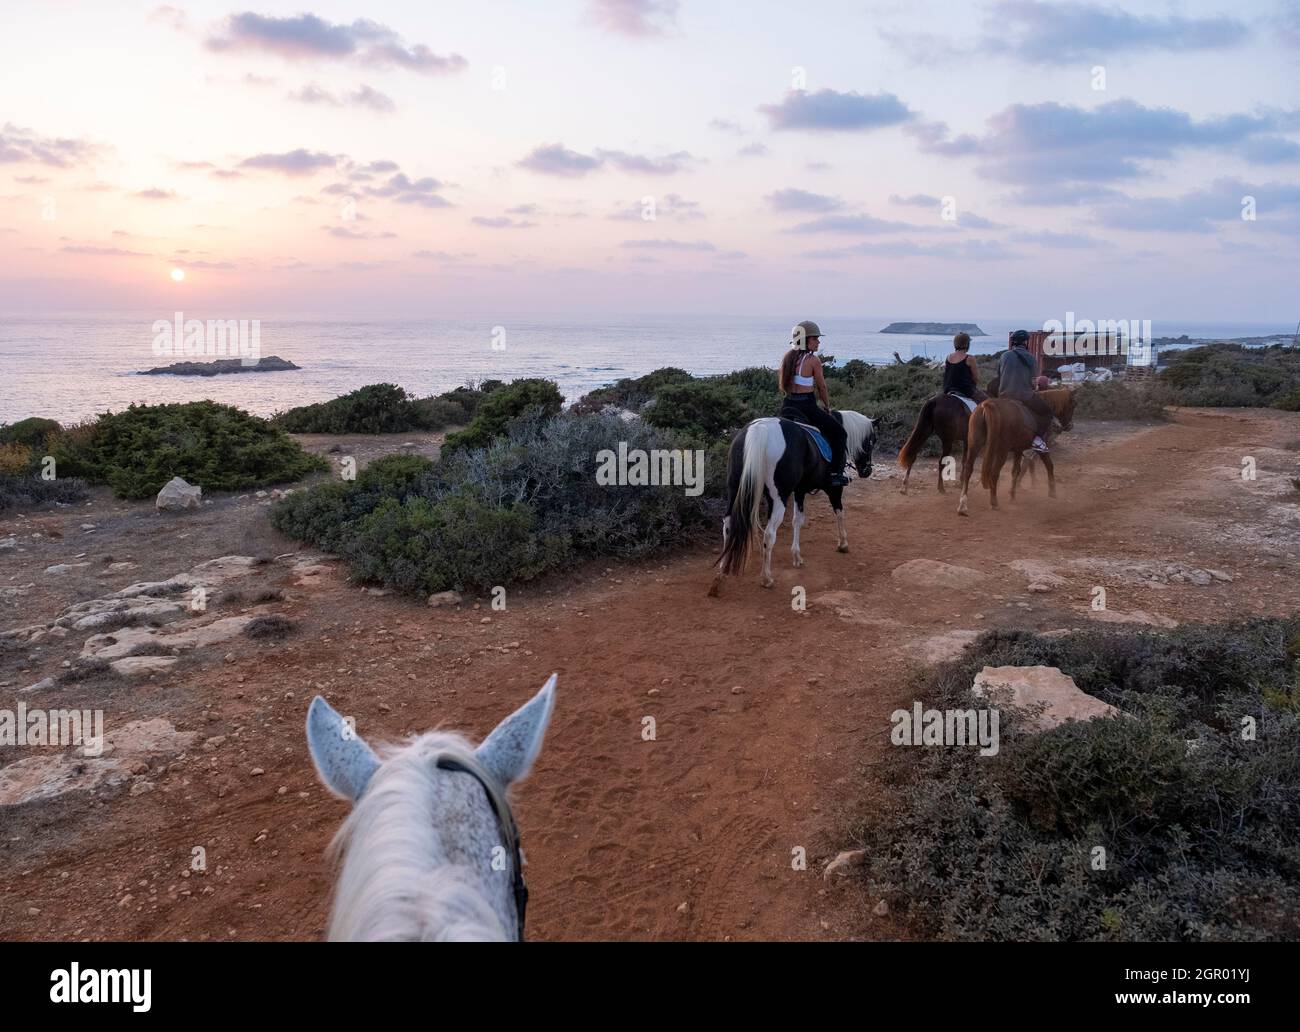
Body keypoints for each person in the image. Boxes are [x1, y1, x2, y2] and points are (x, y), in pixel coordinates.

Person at [778, 320, 850, 487]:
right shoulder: (813, 360)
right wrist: (827, 406)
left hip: (787, 405)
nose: (818, 342)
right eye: (815, 339)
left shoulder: (788, 357)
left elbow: (785, 386)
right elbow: (822, 387)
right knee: (839, 434)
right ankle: (835, 474)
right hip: (806, 406)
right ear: (805, 341)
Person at [998, 330, 1053, 453]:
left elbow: (999, 376)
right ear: (1025, 342)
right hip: (1024, 396)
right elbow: (1034, 381)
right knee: (1047, 413)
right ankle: (1037, 440)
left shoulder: (1004, 356)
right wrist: (1034, 388)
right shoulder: (1031, 358)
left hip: (1004, 396)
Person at [942, 332, 988, 403]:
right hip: (965, 390)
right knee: (988, 402)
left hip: (947, 389)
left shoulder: (948, 357)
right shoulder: (969, 358)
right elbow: (975, 378)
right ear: (967, 344)